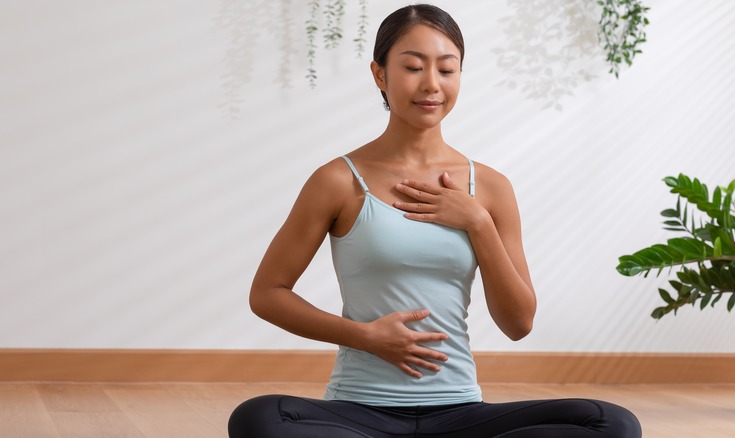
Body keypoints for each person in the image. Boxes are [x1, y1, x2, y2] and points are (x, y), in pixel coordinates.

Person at [229, 4, 641, 437]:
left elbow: (518, 325)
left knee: (611, 423)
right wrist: (365, 336)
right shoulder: (338, 180)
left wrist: (477, 222)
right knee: (259, 417)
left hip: (460, 414)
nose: (431, 84)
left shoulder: (490, 188)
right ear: (379, 75)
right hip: (360, 411)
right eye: (413, 67)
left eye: (447, 69)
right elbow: (267, 294)